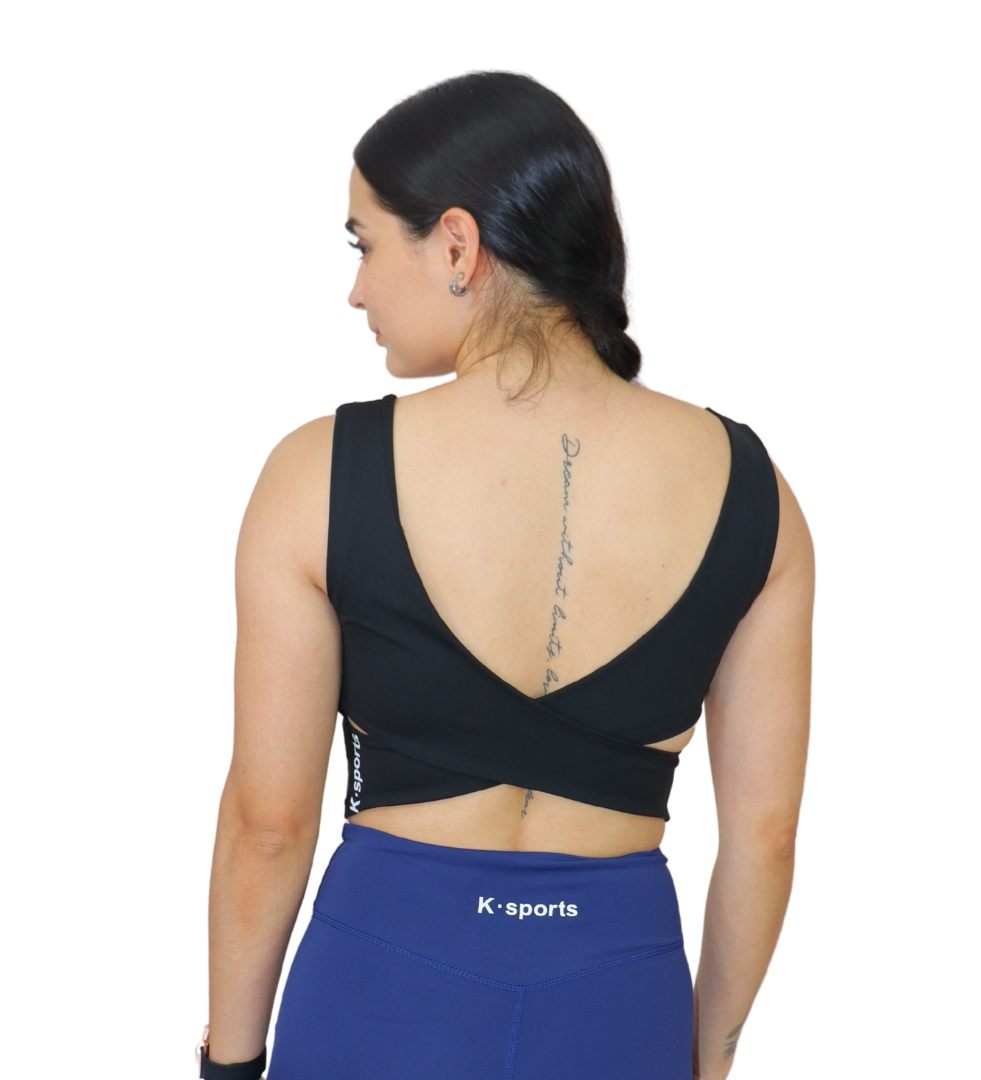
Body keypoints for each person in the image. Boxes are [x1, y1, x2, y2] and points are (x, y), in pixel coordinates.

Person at [202, 71, 813, 1080]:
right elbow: (766, 837)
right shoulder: (755, 492)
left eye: (364, 245)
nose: (356, 290)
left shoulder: (319, 473)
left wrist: (226, 1065)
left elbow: (268, 827)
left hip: (381, 992)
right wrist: (704, 1065)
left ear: (455, 245)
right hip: (620, 1005)